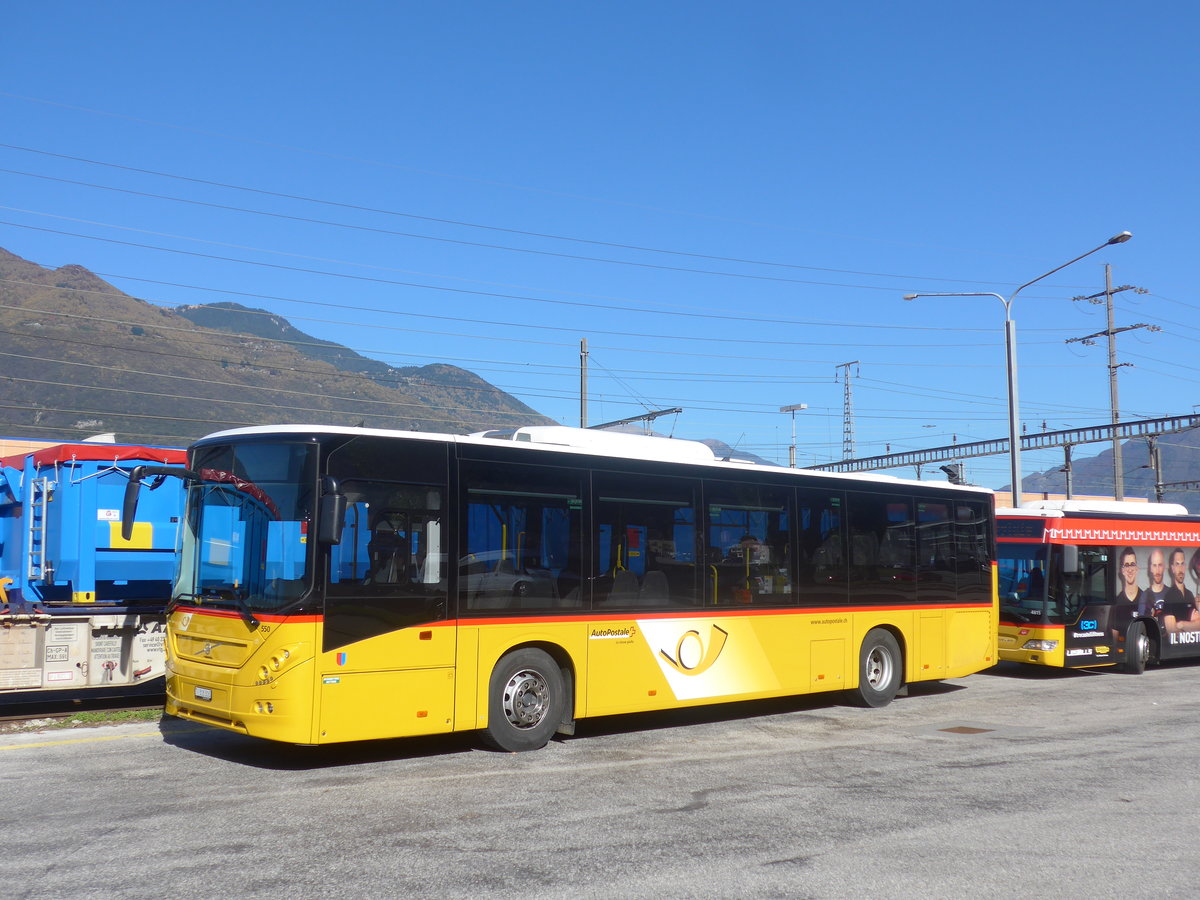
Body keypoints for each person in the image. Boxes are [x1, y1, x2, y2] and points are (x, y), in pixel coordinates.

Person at [1111, 547, 1144, 641]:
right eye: (1126, 565)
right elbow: (1114, 640)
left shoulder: (1147, 600)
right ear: (1122, 570)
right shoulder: (1116, 603)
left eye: (1132, 564)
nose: (1130, 569)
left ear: (1137, 568)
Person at [1163, 548, 1200, 632]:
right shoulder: (1169, 596)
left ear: (1185, 566)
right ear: (1172, 568)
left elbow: (1199, 626)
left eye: (1182, 564)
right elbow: (1172, 632)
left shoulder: (1190, 595)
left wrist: (1181, 624)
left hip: (1194, 644)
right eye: (1177, 564)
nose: (1180, 568)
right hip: (1178, 645)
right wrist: (1192, 625)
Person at [1144, 548, 1171, 619]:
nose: (1157, 570)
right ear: (1150, 568)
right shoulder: (1144, 596)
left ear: (1164, 567)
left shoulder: (1172, 593)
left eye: (1160, 565)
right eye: (1154, 565)